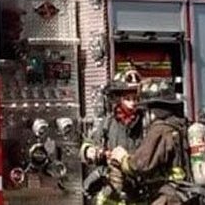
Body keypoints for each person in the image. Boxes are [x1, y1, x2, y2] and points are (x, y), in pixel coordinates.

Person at [110, 78, 192, 205]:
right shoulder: (181, 124)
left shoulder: (160, 129)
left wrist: (122, 158)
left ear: (153, 109)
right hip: (185, 195)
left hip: (168, 196)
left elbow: (140, 165)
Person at [81, 69, 145, 204]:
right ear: (118, 99)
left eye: (135, 99)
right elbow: (89, 144)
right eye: (127, 99)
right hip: (112, 189)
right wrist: (91, 151)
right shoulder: (108, 123)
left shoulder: (146, 123)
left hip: (139, 191)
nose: (132, 103)